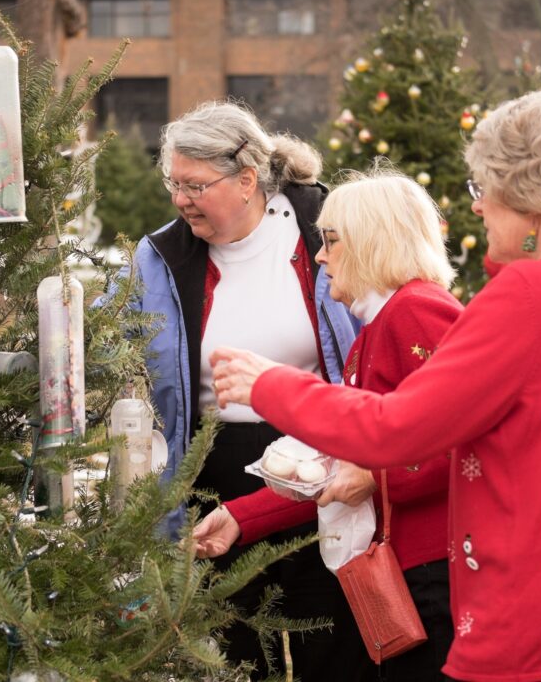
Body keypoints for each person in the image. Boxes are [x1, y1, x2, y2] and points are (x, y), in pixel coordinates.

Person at [209, 86, 541, 682]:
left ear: (533, 198)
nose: (477, 208)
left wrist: (267, 383)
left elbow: (396, 429)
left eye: (485, 189)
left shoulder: (527, 296)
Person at [124, 100, 367, 681]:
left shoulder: (322, 229)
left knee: (328, 639)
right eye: (172, 183)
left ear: (247, 180)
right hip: (213, 464)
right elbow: (115, 345)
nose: (180, 199)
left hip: (319, 458)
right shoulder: (159, 255)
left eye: (194, 185)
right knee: (231, 654)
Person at [193, 168, 464, 681]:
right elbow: (339, 465)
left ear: (372, 241)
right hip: (409, 574)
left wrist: (372, 475)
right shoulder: (379, 327)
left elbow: (460, 439)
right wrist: (239, 518)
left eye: (332, 241)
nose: (320, 256)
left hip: (432, 574)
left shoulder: (417, 311)